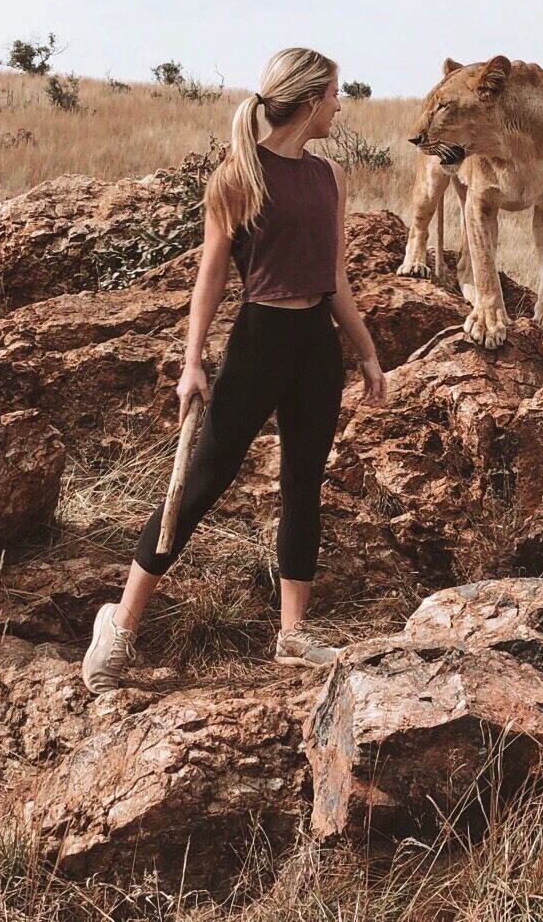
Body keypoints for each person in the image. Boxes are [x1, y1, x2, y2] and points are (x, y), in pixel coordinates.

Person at [82, 47, 387, 693]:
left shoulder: (330, 176)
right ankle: (121, 627)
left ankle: (294, 636)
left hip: (315, 347)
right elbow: (211, 278)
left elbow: (335, 278)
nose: (340, 105)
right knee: (201, 483)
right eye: (335, 94)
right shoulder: (236, 176)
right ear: (309, 101)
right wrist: (192, 363)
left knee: (305, 485)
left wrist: (365, 353)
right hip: (258, 342)